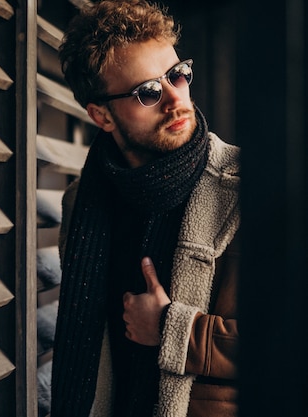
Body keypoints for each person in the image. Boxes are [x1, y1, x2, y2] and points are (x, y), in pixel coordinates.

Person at [50, 1, 240, 417]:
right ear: (102, 115)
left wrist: (176, 329)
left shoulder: (244, 189)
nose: (176, 99)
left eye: (178, 75)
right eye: (148, 92)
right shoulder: (83, 204)